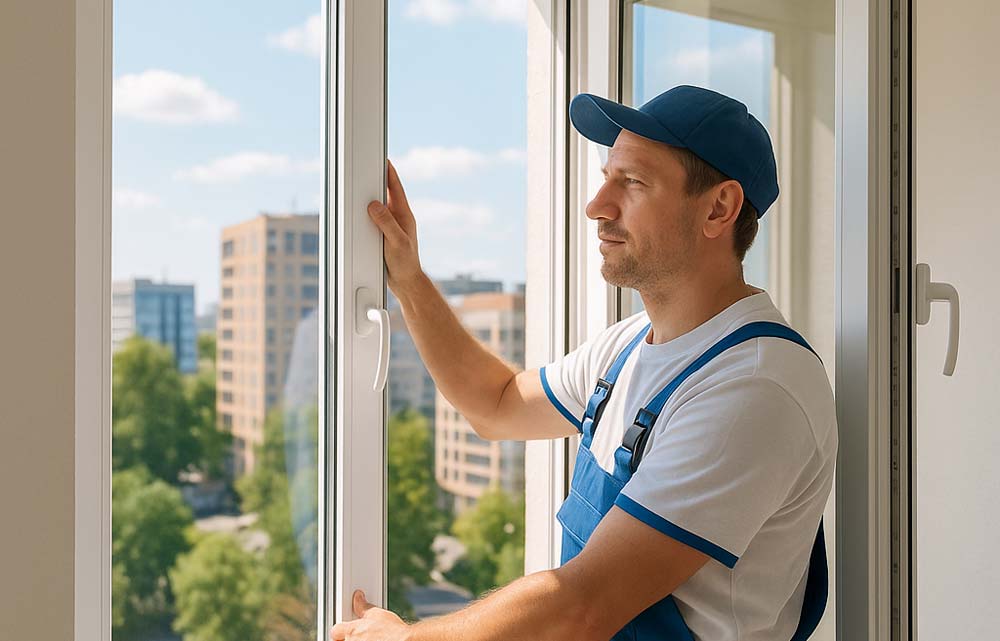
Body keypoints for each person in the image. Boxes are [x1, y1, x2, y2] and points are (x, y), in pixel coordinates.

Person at [330, 85, 837, 641]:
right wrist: (408, 280)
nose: (597, 206)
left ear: (718, 208)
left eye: (633, 182)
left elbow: (584, 607)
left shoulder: (754, 386)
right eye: (606, 177)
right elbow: (496, 404)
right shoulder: (629, 348)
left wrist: (406, 638)